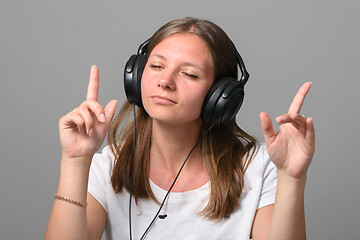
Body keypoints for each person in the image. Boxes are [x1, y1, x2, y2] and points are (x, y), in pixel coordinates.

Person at [45, 17, 315, 240]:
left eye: (189, 74)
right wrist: (75, 161)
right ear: (136, 75)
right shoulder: (109, 167)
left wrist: (292, 180)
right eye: (157, 65)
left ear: (220, 97)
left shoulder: (257, 167)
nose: (165, 81)